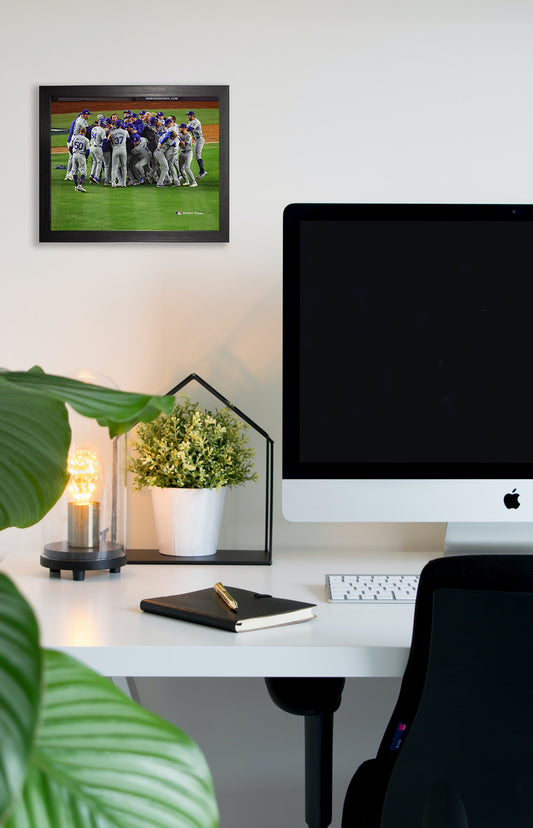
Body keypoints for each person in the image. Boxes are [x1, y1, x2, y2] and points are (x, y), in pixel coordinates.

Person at [186, 110, 206, 178]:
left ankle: (202, 172)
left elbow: (190, 128)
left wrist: (182, 127)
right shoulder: (190, 122)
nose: (187, 116)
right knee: (196, 155)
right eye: (187, 115)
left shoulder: (196, 122)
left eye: (188, 115)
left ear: (192, 116)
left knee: (197, 156)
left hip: (199, 140)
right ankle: (202, 171)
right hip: (196, 140)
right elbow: (186, 127)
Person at [109, 119, 129, 187]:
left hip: (115, 149)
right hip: (123, 149)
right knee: (124, 167)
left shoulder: (112, 132)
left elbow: (109, 140)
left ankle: (113, 183)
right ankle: (124, 183)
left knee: (114, 167)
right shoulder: (125, 131)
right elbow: (128, 138)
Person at [70, 127, 90, 192]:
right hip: (81, 155)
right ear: (85, 132)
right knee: (83, 171)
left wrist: (73, 154)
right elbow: (87, 151)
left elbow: (70, 148)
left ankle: (76, 186)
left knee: (74, 170)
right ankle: (80, 185)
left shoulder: (74, 138)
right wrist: (86, 157)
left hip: (74, 154)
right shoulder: (86, 139)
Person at [177, 123, 197, 187]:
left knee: (187, 168)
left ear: (184, 128)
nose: (179, 129)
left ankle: (194, 182)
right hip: (181, 152)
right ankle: (186, 181)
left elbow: (185, 144)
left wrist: (179, 139)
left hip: (188, 153)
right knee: (180, 169)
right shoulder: (179, 134)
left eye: (180, 128)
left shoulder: (188, 136)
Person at [89, 118, 106, 184]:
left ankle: (91, 175)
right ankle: (96, 177)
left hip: (92, 147)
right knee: (99, 162)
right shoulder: (102, 130)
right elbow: (105, 141)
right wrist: (109, 135)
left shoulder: (94, 128)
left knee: (94, 162)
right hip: (97, 147)